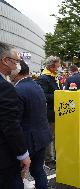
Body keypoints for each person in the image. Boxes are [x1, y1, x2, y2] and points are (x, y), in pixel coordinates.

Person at [11, 60, 52, 189]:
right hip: (42, 136)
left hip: (28, 140)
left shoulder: (17, 90)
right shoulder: (36, 85)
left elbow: (15, 120)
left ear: (17, 71)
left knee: (16, 174)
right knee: (38, 171)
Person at [0, 42, 31, 188]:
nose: (17, 65)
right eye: (16, 61)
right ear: (5, 60)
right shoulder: (6, 87)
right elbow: (10, 124)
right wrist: (23, 154)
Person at [36, 56, 62, 169]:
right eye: (58, 66)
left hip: (58, 111)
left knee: (56, 136)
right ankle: (49, 160)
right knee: (49, 137)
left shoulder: (54, 76)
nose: (59, 68)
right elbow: (43, 96)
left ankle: (55, 157)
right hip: (49, 113)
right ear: (51, 66)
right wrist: (59, 95)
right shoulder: (43, 78)